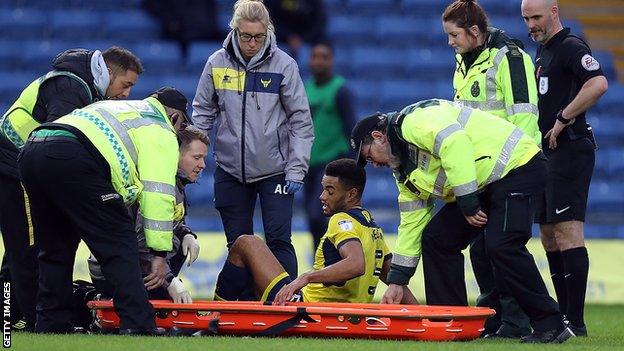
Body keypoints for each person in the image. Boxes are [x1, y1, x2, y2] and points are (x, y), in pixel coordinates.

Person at [352, 99, 573, 343]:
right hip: (485, 184)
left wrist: (468, 203)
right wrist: (397, 281)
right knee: (437, 238)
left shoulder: (413, 122)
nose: (372, 164)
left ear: (379, 136)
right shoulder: (404, 173)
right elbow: (411, 225)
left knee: (503, 245)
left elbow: (454, 143)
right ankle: (450, 324)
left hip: (519, 167)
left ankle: (550, 324)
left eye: (368, 155)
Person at [18, 87, 189, 335]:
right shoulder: (160, 129)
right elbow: (159, 195)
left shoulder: (120, 109)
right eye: (182, 126)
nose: (179, 134)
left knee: (55, 248)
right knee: (119, 242)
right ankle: (138, 324)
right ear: (173, 117)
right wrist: (159, 254)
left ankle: (52, 323)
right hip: (74, 156)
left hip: (33, 150)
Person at [0, 46, 142, 331]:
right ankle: (32, 320)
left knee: (20, 247)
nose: (127, 94)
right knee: (29, 247)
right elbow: (57, 139)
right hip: (14, 166)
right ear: (109, 73)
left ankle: (9, 316)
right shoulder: (70, 86)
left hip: (17, 166)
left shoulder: (75, 85)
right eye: (126, 85)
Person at [192, 0, 314, 280]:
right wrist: (196, 154)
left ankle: (284, 305)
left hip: (276, 171)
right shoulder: (216, 63)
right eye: (246, 36)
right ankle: (240, 309)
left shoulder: (284, 65)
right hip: (230, 170)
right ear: (235, 31)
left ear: (268, 32)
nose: (252, 43)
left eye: (259, 36)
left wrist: (296, 168)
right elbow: (202, 113)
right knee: (238, 245)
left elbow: (300, 121)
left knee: (279, 241)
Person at [441, 0, 539, 338]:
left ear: (474, 31)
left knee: (499, 248)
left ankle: (517, 320)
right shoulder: (463, 62)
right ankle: (496, 317)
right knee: (482, 251)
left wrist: (516, 168)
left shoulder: (510, 59)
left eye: (454, 35)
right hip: (480, 173)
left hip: (509, 168)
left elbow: (525, 115)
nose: (450, 42)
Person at [213, 158, 417, 305]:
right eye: (322, 189)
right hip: (343, 317)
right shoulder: (373, 229)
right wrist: (425, 316)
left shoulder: (341, 220)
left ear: (351, 194)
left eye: (330, 190)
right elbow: (394, 280)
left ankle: (216, 314)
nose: (322, 196)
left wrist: (305, 278)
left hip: (304, 309)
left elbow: (356, 264)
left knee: (246, 243)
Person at [521, 0, 608, 337]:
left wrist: (563, 117)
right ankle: (563, 320)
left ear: (554, 12)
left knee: (567, 229)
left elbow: (598, 84)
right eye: (526, 18)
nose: (531, 24)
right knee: (547, 235)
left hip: (570, 147)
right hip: (547, 153)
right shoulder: (543, 53)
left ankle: (576, 321)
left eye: (537, 17)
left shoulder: (571, 47)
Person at [88, 126, 208, 304]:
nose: (203, 165)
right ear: (175, 155)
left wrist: (186, 233)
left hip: (129, 264)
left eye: (204, 158)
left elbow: (170, 223)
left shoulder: (175, 183)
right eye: (197, 158)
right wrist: (169, 280)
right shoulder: (157, 186)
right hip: (116, 267)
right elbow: (140, 243)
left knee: (178, 243)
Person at [303, 41, 356, 251]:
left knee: (321, 215)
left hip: (331, 165)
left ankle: (333, 259)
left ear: (331, 61)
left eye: (324, 57)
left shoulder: (340, 90)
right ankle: (321, 262)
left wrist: (351, 165)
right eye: (315, 56)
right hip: (308, 163)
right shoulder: (305, 89)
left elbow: (351, 128)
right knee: (312, 218)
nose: (318, 61)